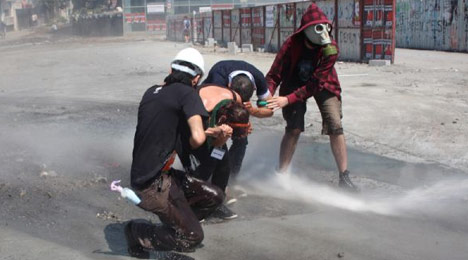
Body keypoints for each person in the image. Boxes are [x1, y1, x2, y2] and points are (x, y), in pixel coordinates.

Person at [125, 48, 230, 258]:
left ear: (171, 69)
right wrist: (220, 137)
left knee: (214, 197)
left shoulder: (152, 92)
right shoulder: (188, 93)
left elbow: (168, 127)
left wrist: (206, 130)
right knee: (192, 237)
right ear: (197, 78)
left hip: (153, 176)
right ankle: (137, 231)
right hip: (151, 186)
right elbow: (198, 139)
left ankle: (179, 220)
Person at [265, 3, 359, 192]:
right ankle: (281, 174)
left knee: (335, 125)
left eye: (325, 27)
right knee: (294, 128)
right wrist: (267, 95)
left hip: (323, 83)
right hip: (294, 82)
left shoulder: (330, 48)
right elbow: (274, 74)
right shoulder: (292, 43)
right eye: (317, 27)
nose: (323, 33)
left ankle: (344, 176)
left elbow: (316, 84)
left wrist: (287, 99)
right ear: (305, 30)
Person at [178, 84, 251, 220]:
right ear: (222, 121)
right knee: (206, 164)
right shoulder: (200, 109)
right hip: (186, 129)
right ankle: (190, 203)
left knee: (224, 163)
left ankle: (216, 204)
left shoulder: (236, 98)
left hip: (213, 126)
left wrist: (230, 135)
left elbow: (218, 146)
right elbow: (194, 143)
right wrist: (213, 134)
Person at [202, 60, 273, 182]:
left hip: (229, 102)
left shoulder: (259, 78)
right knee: (216, 136)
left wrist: (252, 111)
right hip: (212, 105)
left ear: (254, 88)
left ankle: (232, 177)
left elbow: (270, 111)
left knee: (241, 138)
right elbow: (208, 114)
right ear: (229, 88)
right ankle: (206, 173)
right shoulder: (218, 79)